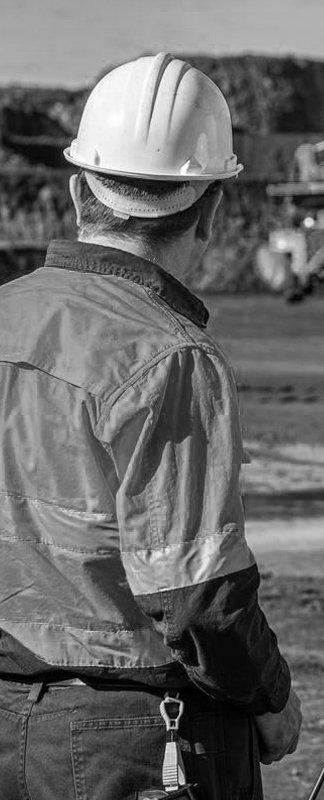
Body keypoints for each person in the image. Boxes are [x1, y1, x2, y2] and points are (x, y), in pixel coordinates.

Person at [0, 53, 301, 799]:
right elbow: (197, 595)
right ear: (211, 208)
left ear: (79, 189)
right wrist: (269, 697)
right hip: (134, 735)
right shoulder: (170, 356)